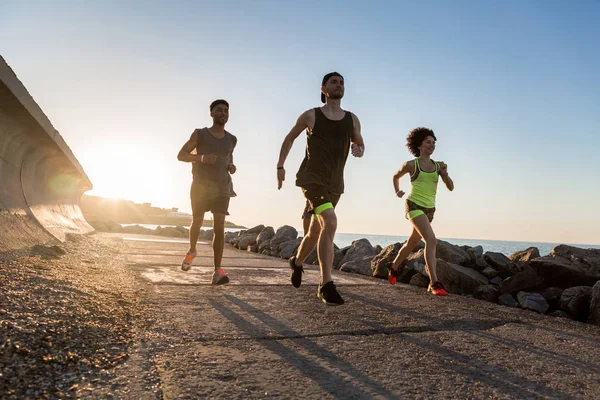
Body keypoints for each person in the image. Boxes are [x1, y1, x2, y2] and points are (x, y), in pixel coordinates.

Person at [276, 72, 365, 305]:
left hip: (335, 183)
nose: (339, 85)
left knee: (315, 232)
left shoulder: (352, 119)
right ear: (323, 89)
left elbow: (360, 142)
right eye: (333, 82)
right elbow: (289, 138)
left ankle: (296, 262)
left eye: (342, 82)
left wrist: (359, 149)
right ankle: (326, 284)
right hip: (311, 178)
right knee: (331, 221)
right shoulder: (311, 115)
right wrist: (280, 166)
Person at [388, 127, 454, 296]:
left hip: (430, 209)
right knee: (431, 240)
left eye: (434, 143)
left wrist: (445, 174)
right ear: (419, 145)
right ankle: (434, 283)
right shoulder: (411, 165)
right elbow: (395, 177)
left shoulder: (439, 165)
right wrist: (397, 191)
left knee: (411, 243)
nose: (432, 145)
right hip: (414, 206)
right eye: (428, 142)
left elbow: (451, 187)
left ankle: (393, 266)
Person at [177, 99, 237, 285]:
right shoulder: (200, 134)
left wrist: (231, 166)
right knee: (197, 221)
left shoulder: (232, 139)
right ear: (211, 113)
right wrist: (201, 157)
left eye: (226, 111)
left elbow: (229, 157)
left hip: (222, 188)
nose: (223, 114)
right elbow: (181, 155)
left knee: (219, 229)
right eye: (219, 110)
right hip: (201, 186)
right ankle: (192, 249)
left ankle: (217, 271)